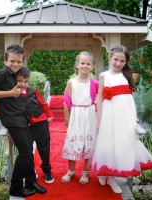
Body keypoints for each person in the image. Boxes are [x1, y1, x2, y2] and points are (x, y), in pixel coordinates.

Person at [90, 45, 152, 193]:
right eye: (116, 59)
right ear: (110, 58)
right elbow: (99, 99)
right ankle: (107, 175)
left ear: (126, 62)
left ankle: (114, 173)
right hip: (109, 115)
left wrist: (133, 118)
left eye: (122, 61)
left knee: (124, 142)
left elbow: (129, 99)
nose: (118, 63)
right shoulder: (104, 76)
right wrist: (99, 120)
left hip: (124, 115)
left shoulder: (127, 75)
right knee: (108, 143)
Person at [0, 44, 47, 199]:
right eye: (12, 61)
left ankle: (30, 182)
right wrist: (11, 93)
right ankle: (15, 188)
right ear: (5, 60)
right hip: (12, 120)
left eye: (19, 62)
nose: (15, 64)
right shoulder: (2, 74)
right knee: (26, 152)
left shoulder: (16, 73)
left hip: (21, 118)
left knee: (28, 151)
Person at [0, 66, 55, 184]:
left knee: (44, 149)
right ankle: (31, 171)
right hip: (24, 126)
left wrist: (49, 114)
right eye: (20, 81)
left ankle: (47, 170)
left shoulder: (32, 90)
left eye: (25, 81)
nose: (23, 84)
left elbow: (42, 103)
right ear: (14, 80)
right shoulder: (9, 93)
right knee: (27, 151)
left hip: (40, 123)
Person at [61, 51, 98, 184]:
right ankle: (71, 171)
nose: (85, 66)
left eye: (88, 64)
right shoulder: (71, 82)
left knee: (87, 143)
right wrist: (67, 119)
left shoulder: (95, 84)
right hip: (76, 115)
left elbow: (98, 102)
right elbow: (66, 102)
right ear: (77, 65)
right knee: (73, 142)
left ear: (92, 66)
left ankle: (85, 171)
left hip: (89, 116)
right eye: (82, 63)